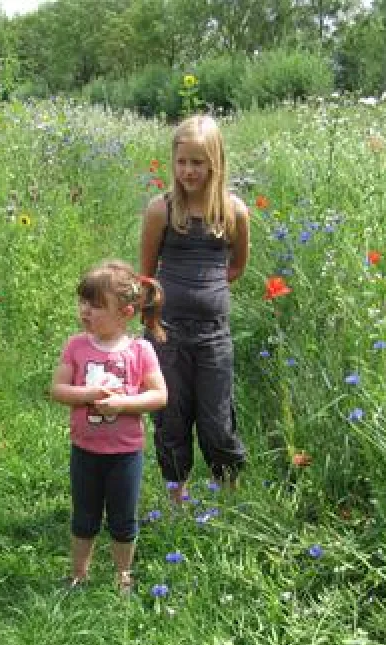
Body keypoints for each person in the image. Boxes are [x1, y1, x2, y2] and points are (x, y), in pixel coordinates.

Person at [139, 114, 250, 505]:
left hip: (213, 336)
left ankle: (228, 495)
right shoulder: (161, 210)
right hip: (166, 334)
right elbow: (147, 277)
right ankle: (177, 498)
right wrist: (153, 319)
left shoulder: (233, 211)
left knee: (217, 422)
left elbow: (235, 267)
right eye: (182, 161)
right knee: (171, 417)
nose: (188, 170)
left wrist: (208, 291)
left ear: (215, 163)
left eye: (197, 163)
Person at [50, 260, 168, 593]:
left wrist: (122, 404)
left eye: (96, 305)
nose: (85, 310)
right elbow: (58, 390)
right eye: (83, 302)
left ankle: (123, 575)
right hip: (85, 449)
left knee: (122, 518)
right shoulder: (76, 346)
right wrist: (87, 394)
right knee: (84, 515)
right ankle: (78, 573)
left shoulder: (140, 351)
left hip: (125, 453)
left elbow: (160, 396)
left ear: (126, 312)